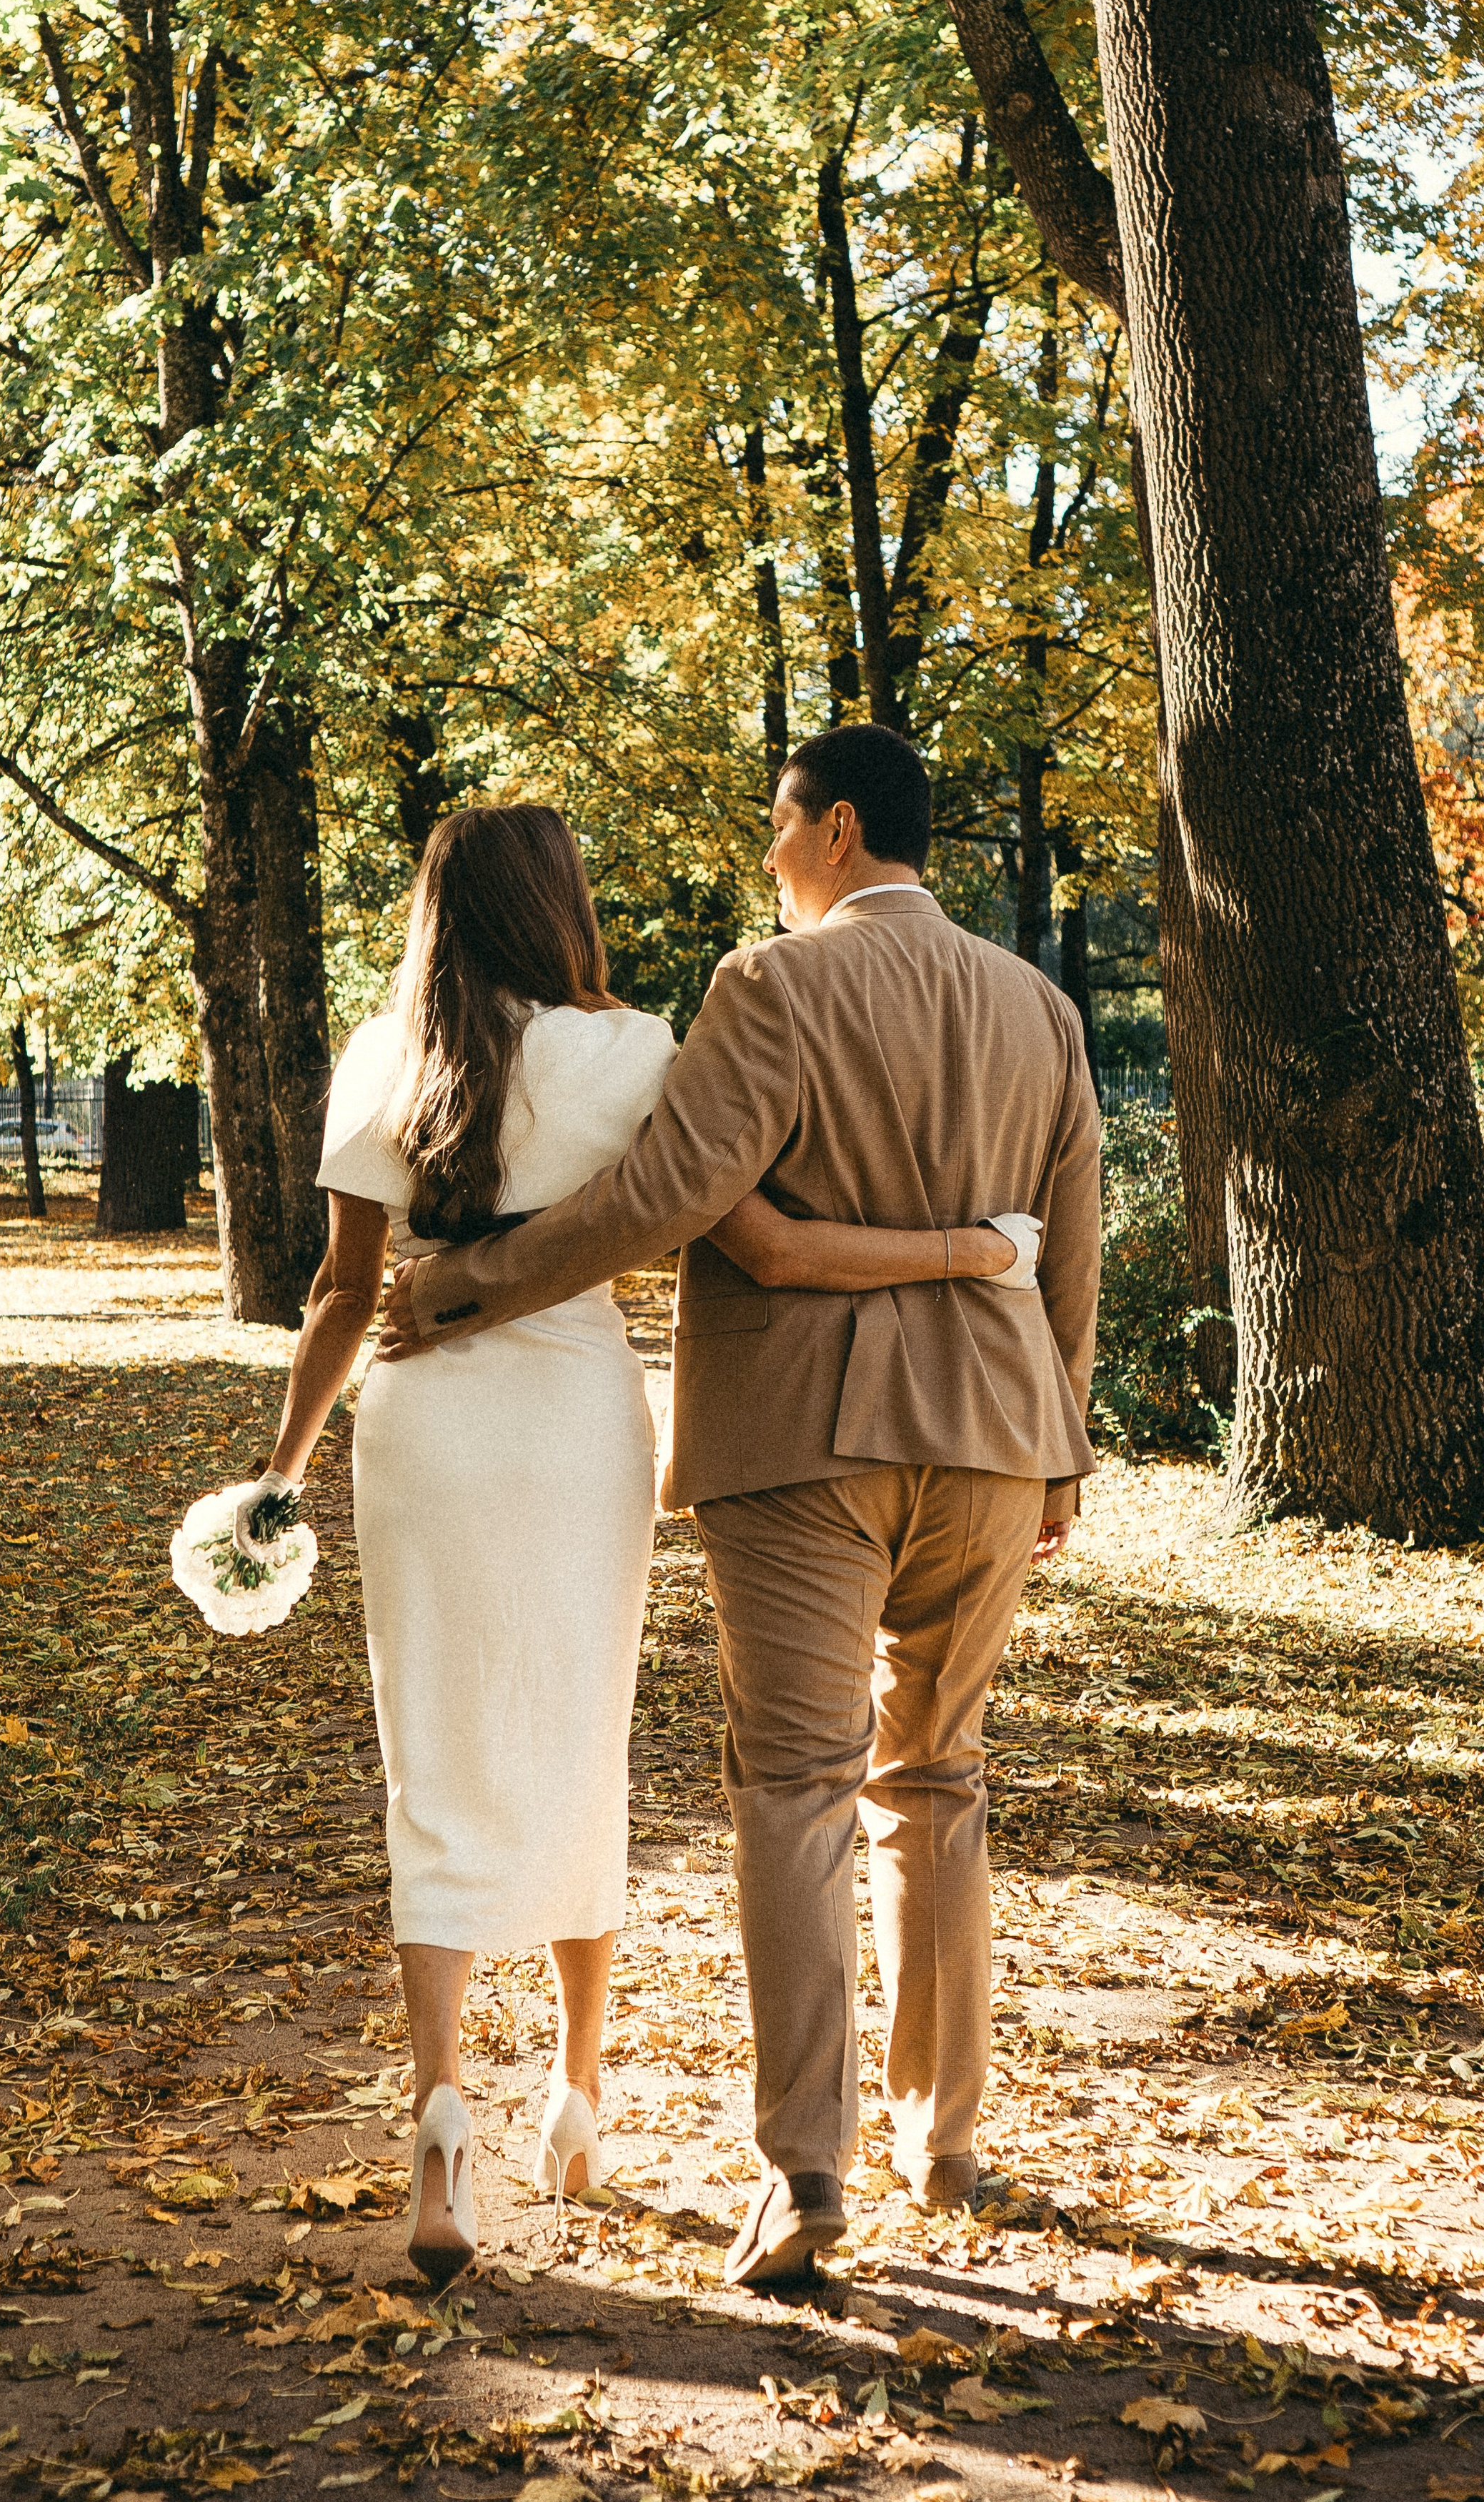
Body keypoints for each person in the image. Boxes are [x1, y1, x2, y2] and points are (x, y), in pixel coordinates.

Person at [236, 801, 1047, 2284]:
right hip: (575, 1415)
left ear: (436, 904)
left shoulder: (382, 1055)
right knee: (579, 1737)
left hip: (422, 1428)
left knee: (432, 1753)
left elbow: (342, 1295)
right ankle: (578, 2091)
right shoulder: (635, 1050)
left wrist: (276, 1475)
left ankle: (435, 2111)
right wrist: (974, 1252)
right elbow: (732, 1230)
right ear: (561, 905)